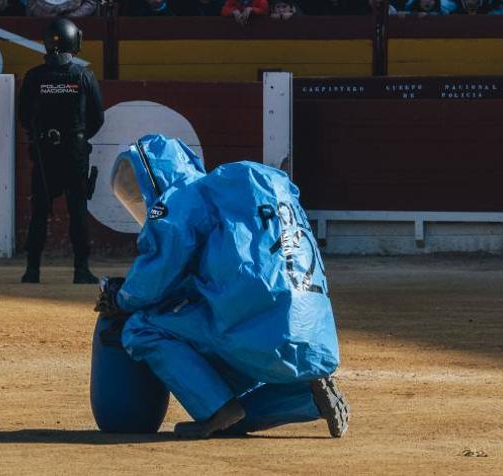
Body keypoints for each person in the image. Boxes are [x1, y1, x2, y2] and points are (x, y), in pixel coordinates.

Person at [99, 135, 350, 439]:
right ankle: (306, 398)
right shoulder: (234, 195)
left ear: (156, 175)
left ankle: (216, 409)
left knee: (142, 327)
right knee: (235, 415)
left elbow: (158, 272)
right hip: (313, 337)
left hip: (259, 333)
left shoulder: (181, 198)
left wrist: (121, 299)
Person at [19, 18, 104, 284]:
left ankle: (32, 270)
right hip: (74, 152)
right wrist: (78, 137)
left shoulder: (34, 77)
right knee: (78, 210)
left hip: (45, 153)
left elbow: (24, 115)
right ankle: (81, 270)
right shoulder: (83, 76)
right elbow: (97, 118)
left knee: (40, 212)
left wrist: (40, 137)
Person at [27, 0, 97, 17]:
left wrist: (72, 16)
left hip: (77, 28)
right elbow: (32, 4)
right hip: (42, 28)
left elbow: (90, 3)